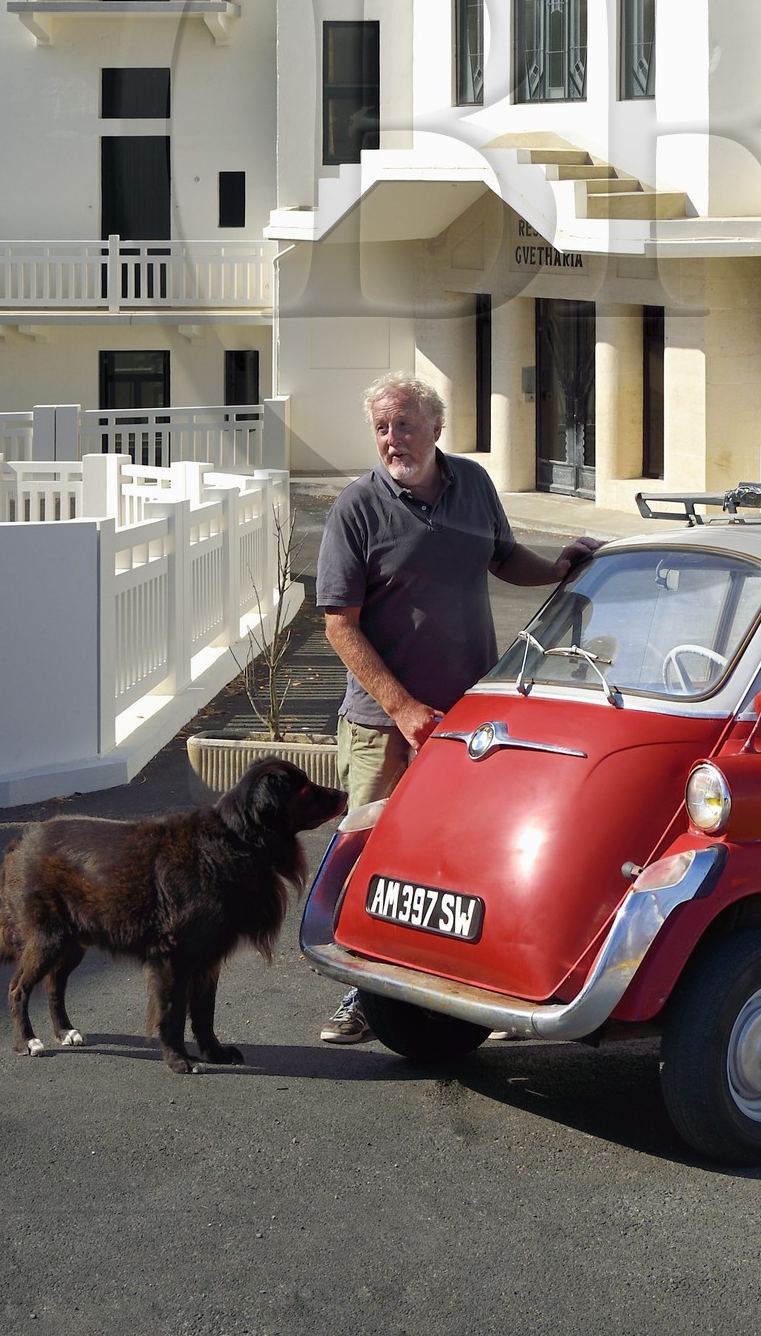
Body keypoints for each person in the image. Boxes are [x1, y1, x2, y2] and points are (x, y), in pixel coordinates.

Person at [314, 371, 599, 1045]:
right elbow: (339, 624)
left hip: (472, 720)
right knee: (372, 848)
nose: (392, 439)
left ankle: (476, 988)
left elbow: (502, 558)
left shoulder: (472, 484)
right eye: (382, 428)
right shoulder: (355, 509)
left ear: (436, 428)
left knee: (468, 854)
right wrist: (404, 706)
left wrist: (558, 569)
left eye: (404, 424)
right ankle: (359, 992)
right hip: (384, 724)